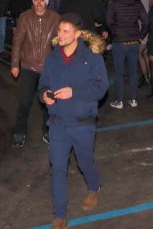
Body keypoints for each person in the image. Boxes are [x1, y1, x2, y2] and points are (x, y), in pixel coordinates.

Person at [39, 13, 109, 229]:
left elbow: (101, 87)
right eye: (59, 30)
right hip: (58, 122)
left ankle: (94, 185)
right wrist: (44, 95)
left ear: (77, 34)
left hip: (82, 122)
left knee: (84, 162)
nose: (60, 35)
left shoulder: (91, 56)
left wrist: (74, 92)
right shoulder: (52, 58)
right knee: (57, 167)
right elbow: (43, 84)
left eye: (66, 31)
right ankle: (59, 214)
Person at [10, 0, 61, 147]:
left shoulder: (55, 18)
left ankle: (48, 130)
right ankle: (19, 131)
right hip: (27, 66)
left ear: (47, 2)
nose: (38, 3)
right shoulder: (25, 18)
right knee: (24, 102)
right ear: (33, 1)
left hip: (47, 68)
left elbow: (59, 43)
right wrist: (15, 63)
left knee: (48, 102)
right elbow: (17, 41)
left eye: (42, 0)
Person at [106, 0, 148, 109]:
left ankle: (119, 101)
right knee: (133, 72)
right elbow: (146, 21)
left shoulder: (114, 2)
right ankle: (133, 99)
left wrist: (115, 32)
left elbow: (108, 20)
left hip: (119, 42)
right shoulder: (137, 2)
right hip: (133, 42)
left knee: (118, 73)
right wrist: (140, 36)